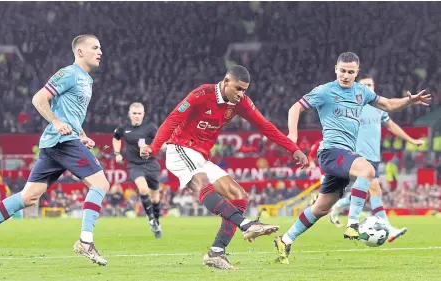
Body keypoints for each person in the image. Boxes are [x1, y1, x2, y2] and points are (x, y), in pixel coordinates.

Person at [140, 65, 308, 270]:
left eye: (244, 90)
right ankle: (247, 225)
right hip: (181, 149)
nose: (241, 94)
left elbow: (266, 126)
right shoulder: (201, 94)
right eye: (238, 88)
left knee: (238, 195)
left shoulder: (241, 103)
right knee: (202, 183)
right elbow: (173, 119)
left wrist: (293, 149)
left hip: (201, 156)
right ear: (226, 81)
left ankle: (216, 252)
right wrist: (154, 147)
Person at [0, 35, 109, 266]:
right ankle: (85, 241)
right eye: (95, 47)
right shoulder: (68, 73)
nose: (100, 51)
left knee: (28, 197)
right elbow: (39, 98)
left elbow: (71, 113)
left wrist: (81, 135)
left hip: (59, 144)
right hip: (62, 142)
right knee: (101, 184)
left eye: (100, 47)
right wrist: (56, 122)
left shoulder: (87, 80)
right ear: (79, 52)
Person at [275, 52, 431, 264]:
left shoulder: (361, 91)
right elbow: (296, 107)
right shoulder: (325, 91)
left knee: (322, 208)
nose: (346, 76)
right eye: (342, 71)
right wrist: (293, 134)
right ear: (335, 69)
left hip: (345, 154)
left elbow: (388, 105)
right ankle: (353, 223)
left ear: (357, 73)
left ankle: (285, 239)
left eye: (350, 72)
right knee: (367, 171)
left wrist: (409, 101)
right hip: (331, 151)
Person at [328, 75, 424, 242]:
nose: (367, 87)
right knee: (374, 189)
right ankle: (388, 229)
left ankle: (338, 206)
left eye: (370, 84)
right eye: (364, 85)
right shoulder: (352, 106)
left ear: (374, 86)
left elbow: (392, 126)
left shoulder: (379, 108)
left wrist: (411, 140)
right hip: (357, 157)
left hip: (374, 157)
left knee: (368, 193)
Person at [113, 102, 163, 238]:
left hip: (151, 164)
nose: (136, 116)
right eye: (134, 113)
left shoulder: (151, 127)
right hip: (134, 165)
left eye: (139, 113)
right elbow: (116, 137)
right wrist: (117, 153)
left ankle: (157, 222)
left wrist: (150, 147)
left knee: (155, 197)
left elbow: (161, 141)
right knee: (143, 189)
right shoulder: (124, 127)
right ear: (129, 114)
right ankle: (151, 219)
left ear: (143, 114)